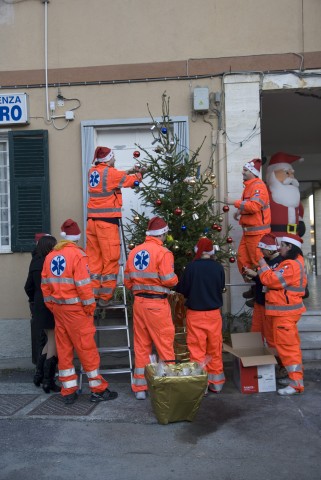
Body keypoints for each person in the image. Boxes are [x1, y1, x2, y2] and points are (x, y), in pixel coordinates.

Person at [41, 218, 118, 405]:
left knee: (65, 350)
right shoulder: (78, 256)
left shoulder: (51, 256)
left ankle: (68, 390)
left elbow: (45, 286)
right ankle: (98, 389)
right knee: (87, 350)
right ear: (77, 238)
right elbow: (84, 286)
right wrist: (90, 307)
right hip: (77, 311)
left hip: (59, 310)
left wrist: (53, 306)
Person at [244, 233, 307, 396]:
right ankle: (295, 379)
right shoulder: (293, 263)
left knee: (288, 348)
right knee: (289, 347)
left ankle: (296, 383)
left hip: (284, 314)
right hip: (285, 313)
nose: (280, 248)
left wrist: (262, 264)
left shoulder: (290, 265)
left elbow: (271, 280)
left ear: (290, 247)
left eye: (283, 246)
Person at [124, 216, 178, 400]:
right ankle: (168, 386)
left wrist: (140, 290)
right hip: (157, 305)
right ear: (162, 234)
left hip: (139, 304)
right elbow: (169, 279)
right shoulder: (163, 253)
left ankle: (140, 387)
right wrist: (176, 280)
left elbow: (127, 280)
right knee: (164, 344)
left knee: (141, 346)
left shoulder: (133, 252)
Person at [86, 146, 143, 307]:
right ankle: (105, 298)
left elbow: (115, 177)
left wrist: (129, 170)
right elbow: (133, 181)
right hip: (107, 224)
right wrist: (141, 173)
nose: (115, 159)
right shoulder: (110, 173)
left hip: (92, 223)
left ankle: (93, 295)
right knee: (110, 258)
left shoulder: (93, 172)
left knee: (93, 260)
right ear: (108, 159)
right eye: (113, 157)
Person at [176, 237, 226, 393]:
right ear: (211, 252)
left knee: (197, 350)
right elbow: (221, 287)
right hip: (214, 315)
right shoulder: (218, 267)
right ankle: (216, 383)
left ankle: (200, 386)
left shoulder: (191, 267)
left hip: (195, 314)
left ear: (197, 250)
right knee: (215, 348)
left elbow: (182, 289)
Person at [230, 158, 271, 301]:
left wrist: (233, 203)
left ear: (253, 172)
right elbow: (249, 204)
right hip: (248, 233)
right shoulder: (249, 186)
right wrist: (239, 211)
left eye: (245, 170)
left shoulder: (258, 187)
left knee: (257, 262)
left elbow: (254, 207)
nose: (243, 172)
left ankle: (260, 291)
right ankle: (255, 287)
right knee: (242, 260)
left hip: (258, 234)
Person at [25, 235, 61, 393]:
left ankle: (39, 375)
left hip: (38, 304)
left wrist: (33, 300)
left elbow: (28, 286)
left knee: (48, 340)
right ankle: (48, 381)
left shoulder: (34, 261)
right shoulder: (49, 262)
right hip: (49, 303)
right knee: (54, 340)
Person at [266, 152, 305, 238]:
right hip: (275, 236)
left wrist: (300, 221)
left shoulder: (294, 194)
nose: (291, 177)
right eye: (286, 173)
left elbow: (300, 210)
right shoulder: (267, 194)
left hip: (294, 236)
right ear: (272, 174)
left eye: (292, 173)